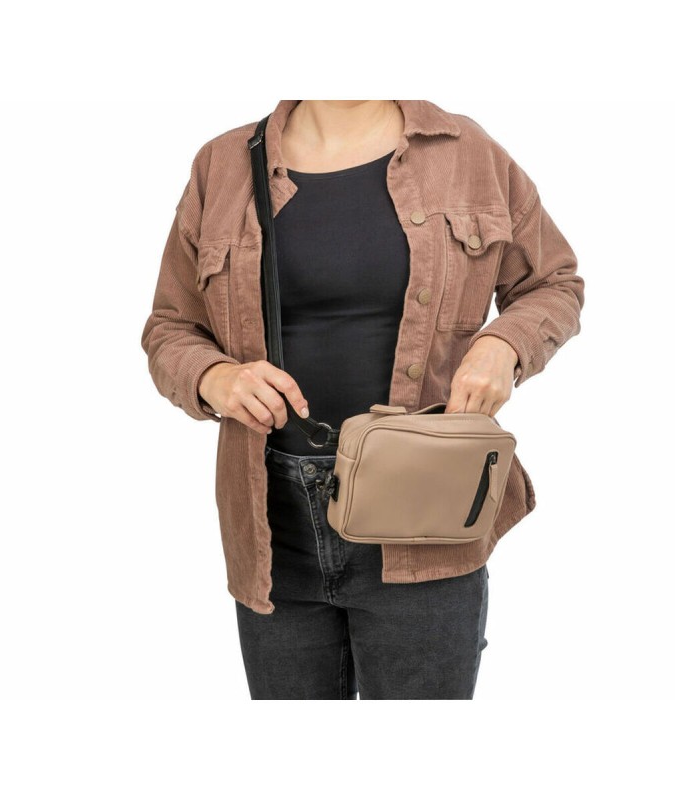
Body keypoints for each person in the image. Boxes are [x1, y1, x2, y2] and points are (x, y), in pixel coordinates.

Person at [141, 100, 584, 700]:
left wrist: (503, 344)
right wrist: (214, 377)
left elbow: (554, 282)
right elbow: (170, 326)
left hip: (425, 515)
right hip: (271, 524)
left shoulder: (468, 153)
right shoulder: (222, 164)